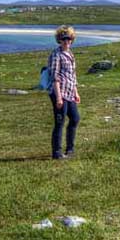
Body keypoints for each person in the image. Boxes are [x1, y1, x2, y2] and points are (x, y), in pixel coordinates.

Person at [47, 25, 80, 159]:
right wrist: (59, 98)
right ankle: (57, 153)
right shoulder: (56, 55)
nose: (66, 41)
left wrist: (76, 92)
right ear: (59, 40)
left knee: (75, 118)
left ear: (72, 40)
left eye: (69, 39)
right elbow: (55, 77)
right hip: (59, 93)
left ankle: (70, 149)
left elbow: (72, 75)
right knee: (59, 122)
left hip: (70, 93)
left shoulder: (70, 54)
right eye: (63, 39)